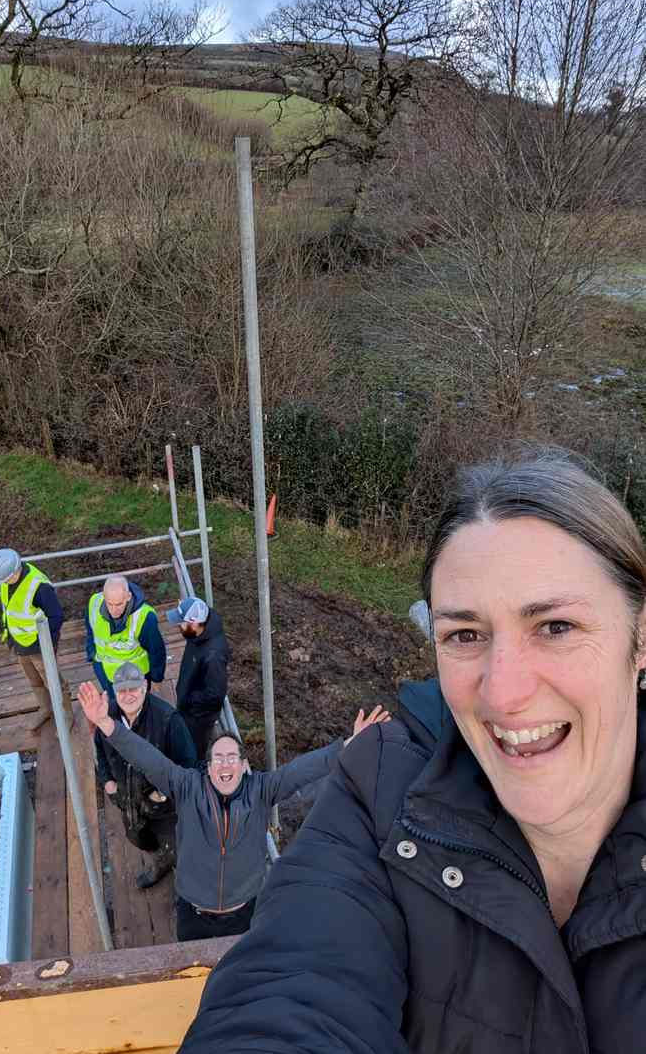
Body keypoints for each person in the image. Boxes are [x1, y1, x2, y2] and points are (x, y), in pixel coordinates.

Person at [176, 451, 646, 1054]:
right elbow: (288, 989)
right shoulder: (380, 791)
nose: (502, 693)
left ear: (639, 637)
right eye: (464, 635)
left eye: (556, 626)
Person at [79, 676, 389, 942]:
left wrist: (350, 745)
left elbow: (303, 770)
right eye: (218, 758)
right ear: (208, 767)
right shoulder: (187, 787)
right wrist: (106, 722)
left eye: (232, 758)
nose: (225, 763)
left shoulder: (262, 789)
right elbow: (146, 756)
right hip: (193, 915)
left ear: (243, 766)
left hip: (245, 914)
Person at [94, 661, 196, 888]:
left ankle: (186, 886)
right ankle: (161, 860)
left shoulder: (168, 720)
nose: (128, 695)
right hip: (127, 800)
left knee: (177, 848)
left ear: (145, 687)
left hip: (165, 808)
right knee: (138, 837)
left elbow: (188, 764)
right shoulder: (107, 717)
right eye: (122, 690)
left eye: (133, 688)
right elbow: (100, 752)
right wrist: (108, 783)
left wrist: (161, 796)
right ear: (114, 691)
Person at [0, 548, 74, 733]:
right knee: (34, 680)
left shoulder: (39, 586)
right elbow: (9, 609)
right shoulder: (6, 581)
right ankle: (46, 709)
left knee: (53, 682)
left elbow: (56, 617)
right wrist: (10, 636)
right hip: (20, 643)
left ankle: (66, 714)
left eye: (5, 579)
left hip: (39, 646)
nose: (3, 583)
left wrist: (46, 645)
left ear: (15, 571)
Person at [168, 596, 231, 760]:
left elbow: (215, 695)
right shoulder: (196, 635)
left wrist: (189, 700)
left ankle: (193, 770)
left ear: (195, 623)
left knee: (193, 752)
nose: (179, 626)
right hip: (188, 706)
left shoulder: (214, 656)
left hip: (197, 717)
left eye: (182, 622)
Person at [85, 574, 166, 702]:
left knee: (139, 707)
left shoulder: (145, 617)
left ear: (128, 597)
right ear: (104, 596)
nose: (114, 610)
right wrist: (92, 653)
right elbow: (90, 630)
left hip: (135, 676)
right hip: (105, 673)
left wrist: (157, 678)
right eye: (109, 604)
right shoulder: (94, 603)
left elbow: (156, 650)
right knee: (115, 705)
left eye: (119, 604)